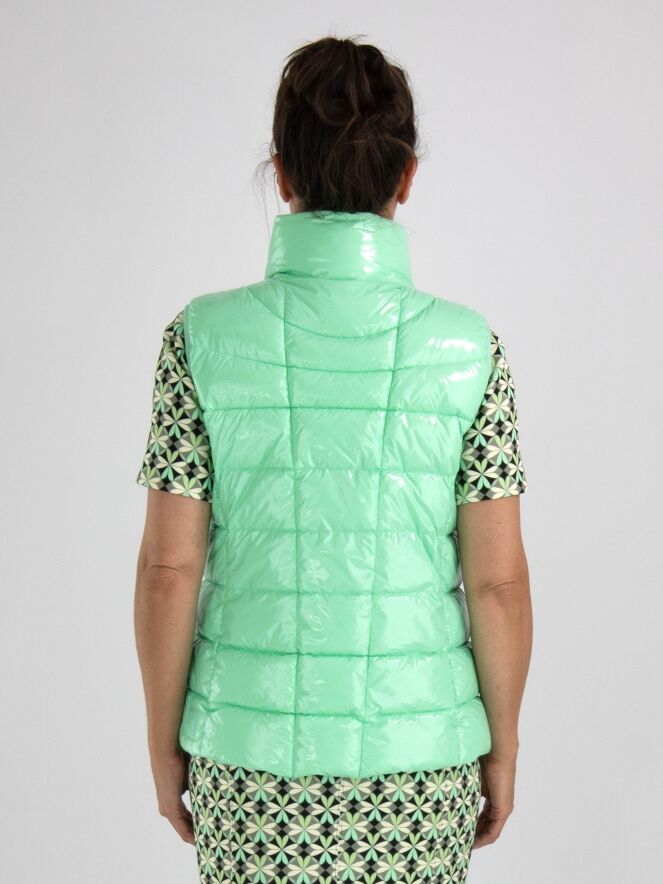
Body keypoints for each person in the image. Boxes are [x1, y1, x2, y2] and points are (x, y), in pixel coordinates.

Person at [134, 34, 532, 884]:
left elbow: (169, 569)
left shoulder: (198, 339)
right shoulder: (470, 350)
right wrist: (499, 747)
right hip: (422, 767)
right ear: (405, 177)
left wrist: (164, 744)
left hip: (246, 764)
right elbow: (496, 583)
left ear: (282, 173)